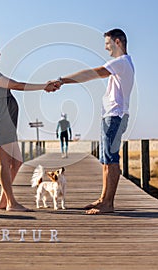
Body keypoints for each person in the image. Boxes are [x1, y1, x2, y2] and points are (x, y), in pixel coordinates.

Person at [0, 39, 59, 212]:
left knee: (17, 161)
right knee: (5, 163)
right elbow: (17, 85)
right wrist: (44, 86)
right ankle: (11, 203)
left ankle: (4, 200)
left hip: (5, 120)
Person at [57, 29, 135, 214]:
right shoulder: (123, 64)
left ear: (117, 42)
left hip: (115, 116)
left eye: (107, 44)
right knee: (106, 161)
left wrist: (62, 80)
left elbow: (92, 73)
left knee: (111, 160)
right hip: (110, 116)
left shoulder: (121, 62)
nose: (105, 47)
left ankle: (108, 204)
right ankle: (103, 199)